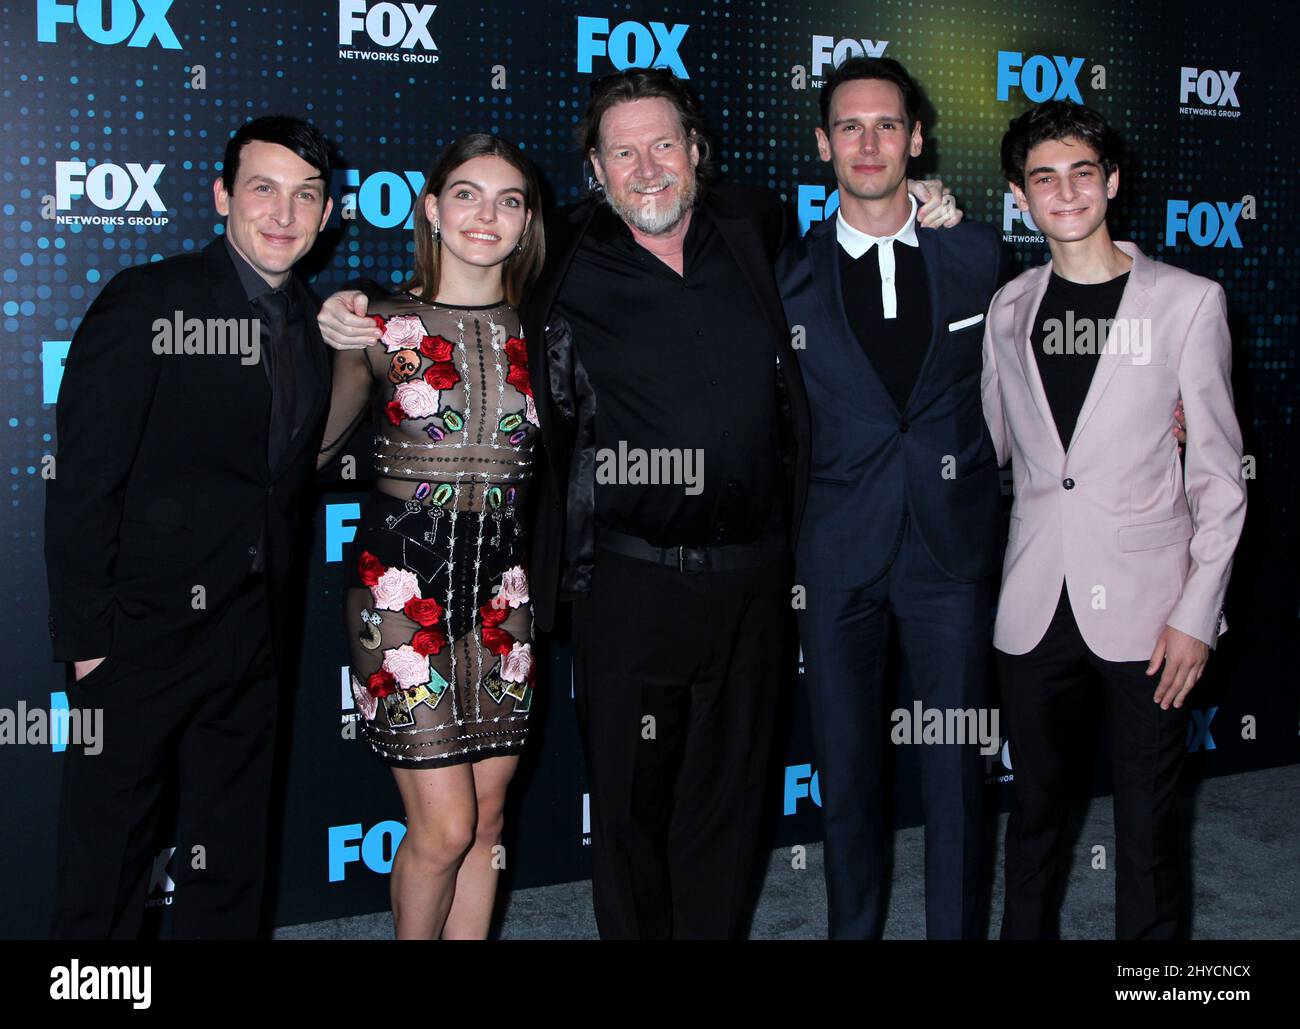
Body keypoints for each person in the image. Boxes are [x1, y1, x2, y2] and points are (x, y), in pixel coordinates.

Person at [318, 70, 957, 939]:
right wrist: (347, 309)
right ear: (595, 171)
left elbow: (857, 238)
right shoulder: (566, 256)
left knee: (727, 811)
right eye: (623, 151)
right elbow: (442, 298)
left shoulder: (754, 226)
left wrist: (920, 201)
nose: (647, 168)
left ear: (697, 154)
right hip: (627, 583)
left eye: (663, 145)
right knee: (626, 812)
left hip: (754, 581)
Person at [44, 115, 335, 938]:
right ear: (222, 197)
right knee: (109, 859)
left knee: (229, 854)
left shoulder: (314, 327)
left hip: (252, 639)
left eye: (305, 195)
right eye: (263, 188)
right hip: (138, 637)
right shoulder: (150, 299)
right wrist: (88, 642)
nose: (283, 212)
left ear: (327, 214)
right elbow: (82, 482)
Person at [981, 101, 1247, 939]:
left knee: (1149, 833)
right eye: (1044, 177)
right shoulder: (1008, 308)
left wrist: (1196, 614)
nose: (1065, 192)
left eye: (1082, 173)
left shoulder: (1188, 303)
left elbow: (1219, 477)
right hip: (1032, 612)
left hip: (1150, 615)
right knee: (1032, 826)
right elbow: (999, 451)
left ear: (1113, 182)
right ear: (1020, 196)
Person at [777, 57, 1006, 939]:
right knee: (847, 770)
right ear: (824, 144)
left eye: (885, 125)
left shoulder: (976, 253)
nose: (867, 143)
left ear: (916, 139)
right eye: (848, 126)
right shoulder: (786, 272)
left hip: (949, 553)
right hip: (833, 556)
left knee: (955, 770)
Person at [316, 134, 545, 939]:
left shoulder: (544, 328)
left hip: (504, 596)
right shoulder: (379, 322)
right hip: (399, 593)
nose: (488, 214)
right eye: (467, 195)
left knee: (485, 822)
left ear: (526, 221)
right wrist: (335, 338)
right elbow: (316, 444)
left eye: (509, 199)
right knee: (443, 827)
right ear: (432, 209)